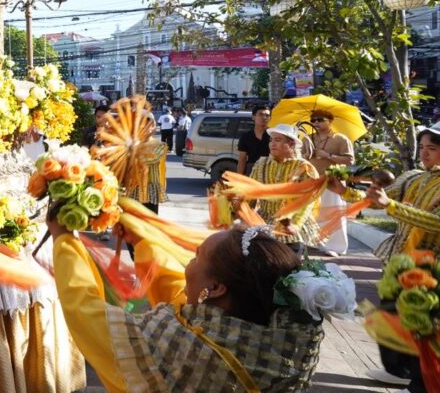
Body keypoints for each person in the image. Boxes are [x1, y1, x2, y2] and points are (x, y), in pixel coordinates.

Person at [50, 218, 328, 392]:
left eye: (196, 257)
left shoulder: (190, 349)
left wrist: (64, 241)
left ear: (216, 288)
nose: (187, 264)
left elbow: (88, 314)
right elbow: (177, 289)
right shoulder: (281, 329)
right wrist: (142, 243)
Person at [341, 126, 440, 391]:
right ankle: (400, 371)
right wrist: (346, 191)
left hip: (432, 270)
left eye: (432, 149)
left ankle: (418, 381)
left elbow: (436, 222)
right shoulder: (415, 179)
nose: (425, 154)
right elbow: (378, 202)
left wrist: (391, 206)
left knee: (423, 327)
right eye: (423, 148)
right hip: (403, 263)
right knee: (388, 316)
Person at [244, 124, 321, 252]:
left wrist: (294, 224)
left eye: (278, 140)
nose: (272, 144)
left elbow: (307, 201)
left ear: (291, 144)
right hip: (264, 223)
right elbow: (251, 193)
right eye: (271, 140)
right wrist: (240, 211)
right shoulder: (261, 164)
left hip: (291, 225)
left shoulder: (304, 167)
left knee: (290, 268)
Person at [308, 110, 354, 256]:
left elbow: (349, 160)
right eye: (313, 120)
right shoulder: (308, 138)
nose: (316, 123)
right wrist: (308, 154)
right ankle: (313, 242)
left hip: (333, 182)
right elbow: (301, 157)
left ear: (330, 121)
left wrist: (328, 155)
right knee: (312, 214)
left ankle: (334, 246)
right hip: (312, 181)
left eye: (320, 120)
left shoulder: (340, 138)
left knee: (332, 212)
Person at [236, 104, 271, 176]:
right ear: (253, 117)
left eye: (267, 115)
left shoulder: (274, 136)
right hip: (252, 170)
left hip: (270, 170)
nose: (264, 117)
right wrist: (239, 178)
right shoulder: (246, 137)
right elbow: (242, 159)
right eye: (260, 114)